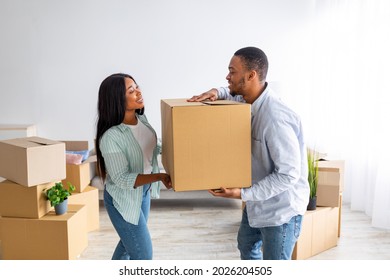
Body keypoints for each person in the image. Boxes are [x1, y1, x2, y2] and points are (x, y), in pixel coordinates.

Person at [188, 47, 309, 260]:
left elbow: (288, 175)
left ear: (251, 75)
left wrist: (241, 194)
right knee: (246, 246)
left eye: (232, 71)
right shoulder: (245, 100)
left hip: (281, 211)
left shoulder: (276, 119)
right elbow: (230, 93)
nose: (227, 76)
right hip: (256, 203)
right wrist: (217, 92)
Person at [95, 73, 172, 260]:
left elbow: (152, 148)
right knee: (143, 254)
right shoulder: (111, 137)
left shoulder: (142, 121)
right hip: (122, 198)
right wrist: (160, 176)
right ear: (117, 99)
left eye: (137, 87)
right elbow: (121, 178)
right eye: (131, 90)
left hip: (143, 192)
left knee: (128, 243)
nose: (139, 92)